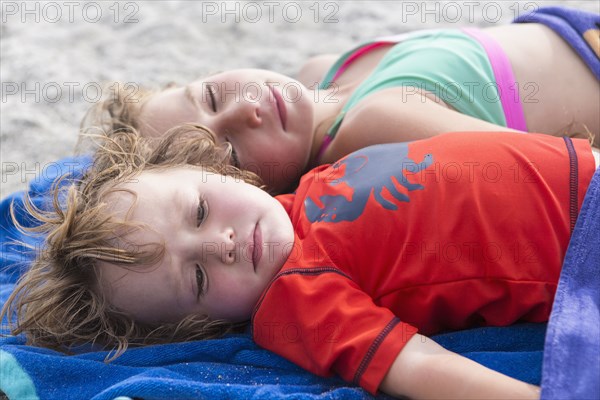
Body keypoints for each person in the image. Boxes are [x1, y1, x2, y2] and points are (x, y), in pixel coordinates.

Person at [3, 124, 598, 399]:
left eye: (201, 210)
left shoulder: (301, 191)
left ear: (212, 166)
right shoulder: (297, 299)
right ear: (202, 323)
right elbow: (414, 366)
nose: (221, 244)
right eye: (200, 277)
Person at [84, 6, 600, 193]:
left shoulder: (320, 72)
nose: (244, 110)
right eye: (233, 150)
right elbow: (567, 168)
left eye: (213, 94)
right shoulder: (370, 129)